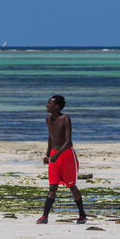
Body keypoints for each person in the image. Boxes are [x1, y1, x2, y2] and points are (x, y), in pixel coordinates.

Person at [37, 95, 87, 224]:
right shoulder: (48, 119)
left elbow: (69, 142)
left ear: (57, 106)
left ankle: (82, 215)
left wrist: (57, 154)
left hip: (66, 156)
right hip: (54, 155)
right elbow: (50, 137)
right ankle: (44, 217)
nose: (47, 105)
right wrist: (48, 154)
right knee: (52, 187)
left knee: (72, 187)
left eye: (49, 103)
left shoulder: (65, 119)